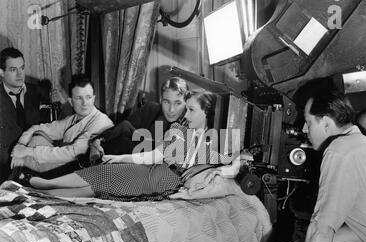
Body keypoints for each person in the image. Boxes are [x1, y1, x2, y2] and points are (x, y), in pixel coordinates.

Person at [14, 90, 241, 200]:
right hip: (151, 170)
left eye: (191, 109)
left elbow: (234, 165)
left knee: (102, 185)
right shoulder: (180, 131)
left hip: (163, 181)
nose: (185, 113)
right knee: (104, 171)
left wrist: (231, 166)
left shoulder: (214, 143)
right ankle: (44, 184)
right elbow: (151, 156)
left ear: (207, 113)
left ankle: (42, 189)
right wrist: (120, 158)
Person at [275, 80, 366, 242]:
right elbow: (363, 227)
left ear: (326, 123)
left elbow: (321, 232)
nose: (303, 129)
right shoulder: (359, 145)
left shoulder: (339, 151)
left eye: (309, 122)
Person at [10, 74, 114, 174]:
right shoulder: (73, 119)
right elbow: (38, 127)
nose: (84, 103)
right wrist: (21, 145)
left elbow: (73, 153)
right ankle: (20, 169)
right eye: (79, 98)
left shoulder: (101, 121)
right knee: (37, 136)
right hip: (65, 168)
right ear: (71, 101)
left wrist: (27, 152)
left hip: (79, 174)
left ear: (94, 98)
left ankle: (21, 169)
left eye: (88, 97)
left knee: (32, 148)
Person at [90, 76, 189, 159]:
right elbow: (124, 126)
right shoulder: (151, 108)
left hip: (151, 164)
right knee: (124, 127)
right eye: (166, 102)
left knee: (124, 142)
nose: (171, 110)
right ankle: (95, 149)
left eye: (178, 103)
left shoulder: (189, 123)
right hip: (125, 155)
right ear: (161, 99)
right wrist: (97, 141)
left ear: (186, 102)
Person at [0, 47, 43, 183]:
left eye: (22, 68)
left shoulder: (39, 93)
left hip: (39, 167)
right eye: (13, 70)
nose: (20, 74)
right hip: (6, 171)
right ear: (1, 72)